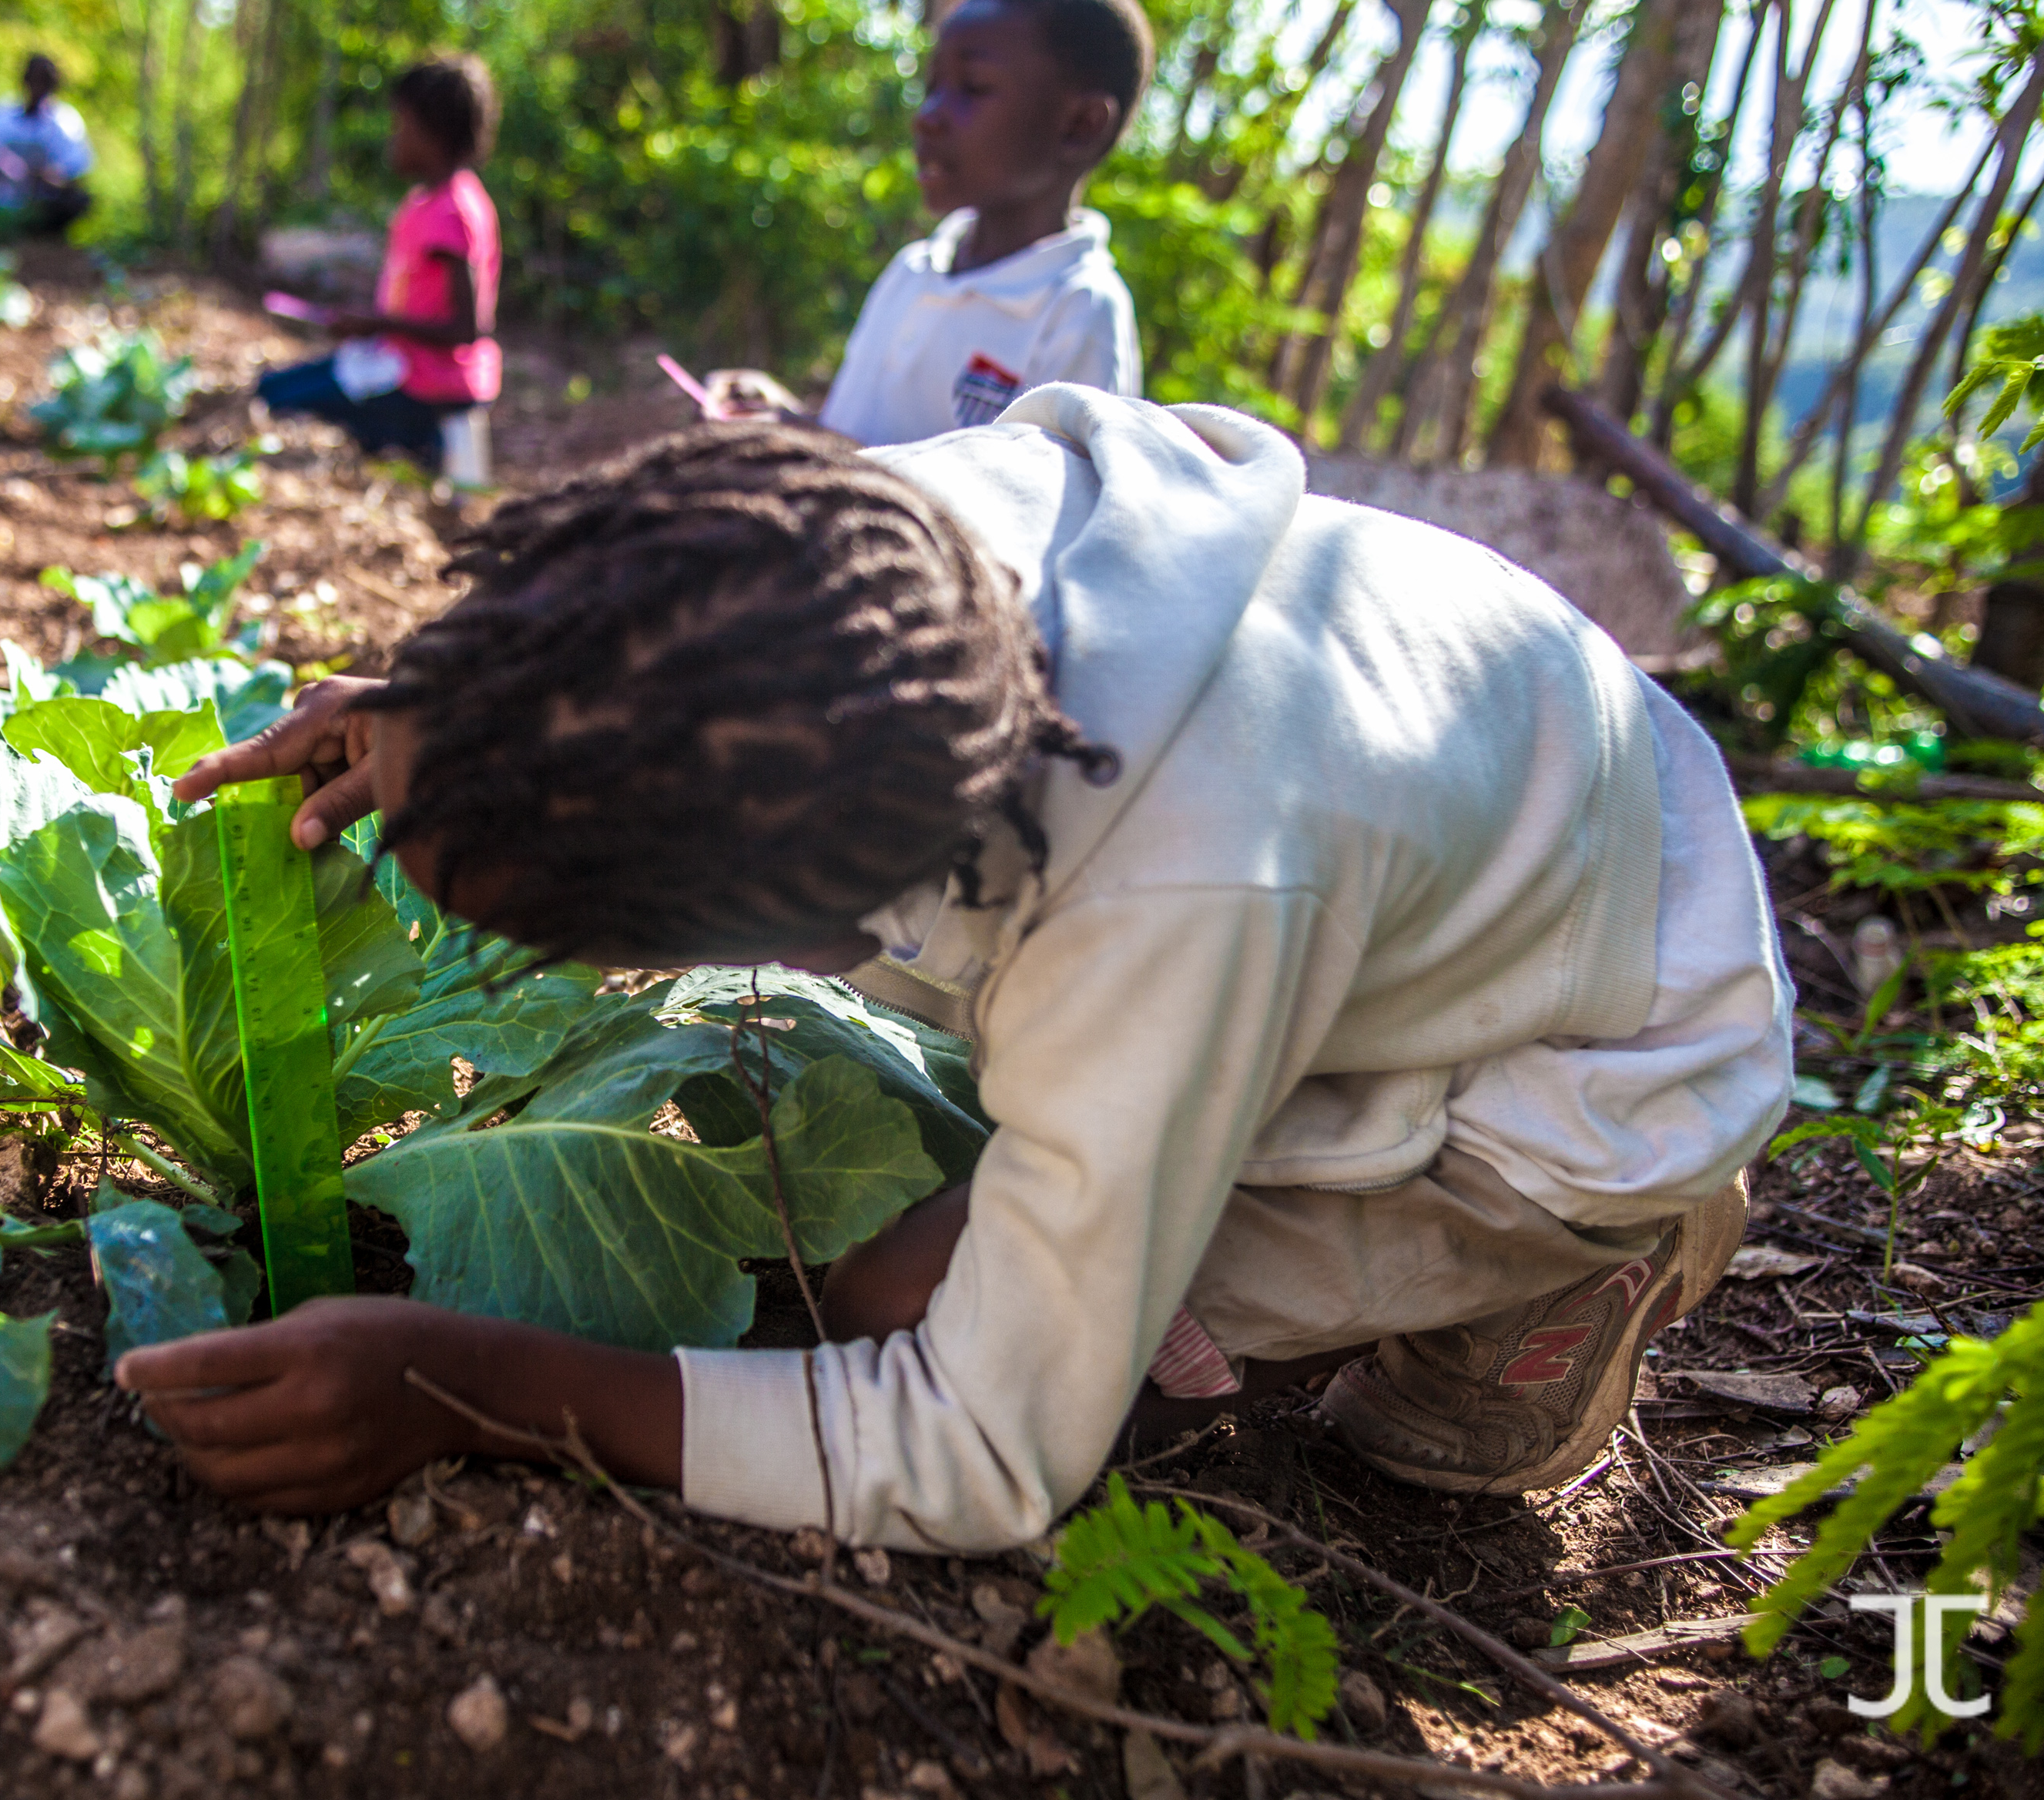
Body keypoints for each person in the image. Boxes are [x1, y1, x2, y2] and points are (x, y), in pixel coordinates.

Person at [121, 394, 1792, 1554]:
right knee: (915, 1231)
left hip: (1597, 1044)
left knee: (897, 1305)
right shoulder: (861, 565)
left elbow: (984, 1449)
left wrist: (469, 1388)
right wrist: (447, 710)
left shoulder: (1178, 888)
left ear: (784, 921)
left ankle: (1580, 1260)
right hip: (1481, 828)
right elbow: (625, 662)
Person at [702, 0, 1142, 447]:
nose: (926, 116)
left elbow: (1031, 493)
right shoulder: (911, 270)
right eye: (932, 88)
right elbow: (862, 434)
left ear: (1081, 125)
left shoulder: (1080, 312)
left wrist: (817, 443)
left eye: (973, 88)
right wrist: (784, 416)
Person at [253, 52, 500, 475]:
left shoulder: (453, 211)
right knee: (272, 388)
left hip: (427, 385)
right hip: (399, 364)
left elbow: (467, 328)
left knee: (278, 400)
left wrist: (377, 324)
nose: (394, 138)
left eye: (401, 126)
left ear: (434, 134)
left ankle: (430, 444)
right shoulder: (427, 202)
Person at [0, 53, 92, 237]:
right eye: (34, 80)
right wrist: (4, 166)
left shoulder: (66, 122)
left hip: (45, 205)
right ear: (24, 81)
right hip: (1, 201)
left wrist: (41, 175)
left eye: (45, 81)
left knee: (79, 200)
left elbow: (76, 173)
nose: (38, 87)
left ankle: (48, 236)